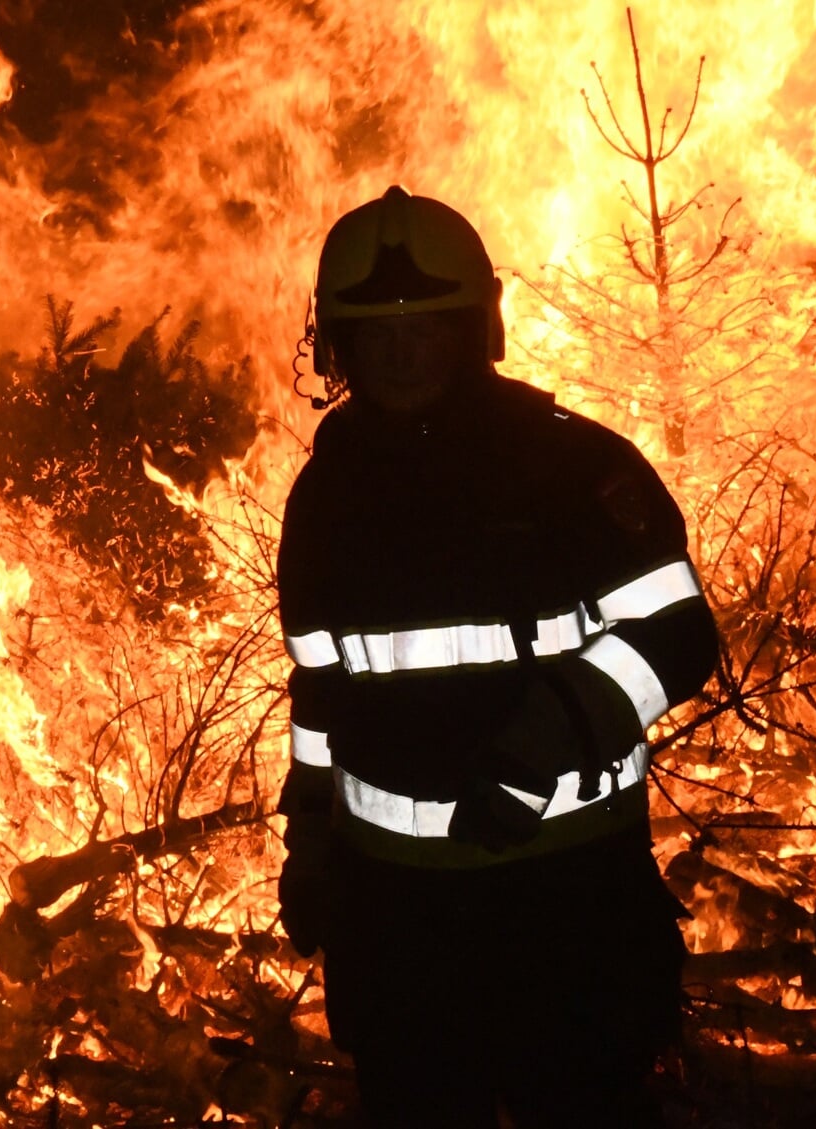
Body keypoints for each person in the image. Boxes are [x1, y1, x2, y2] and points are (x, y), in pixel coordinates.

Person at [275, 186, 719, 1128]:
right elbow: (320, 686)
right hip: (397, 925)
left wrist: (538, 744)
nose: (398, 356)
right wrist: (311, 844)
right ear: (335, 346)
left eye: (423, 330)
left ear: (474, 331)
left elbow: (677, 635)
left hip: (563, 901)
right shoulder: (326, 496)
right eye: (374, 334)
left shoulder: (567, 468)